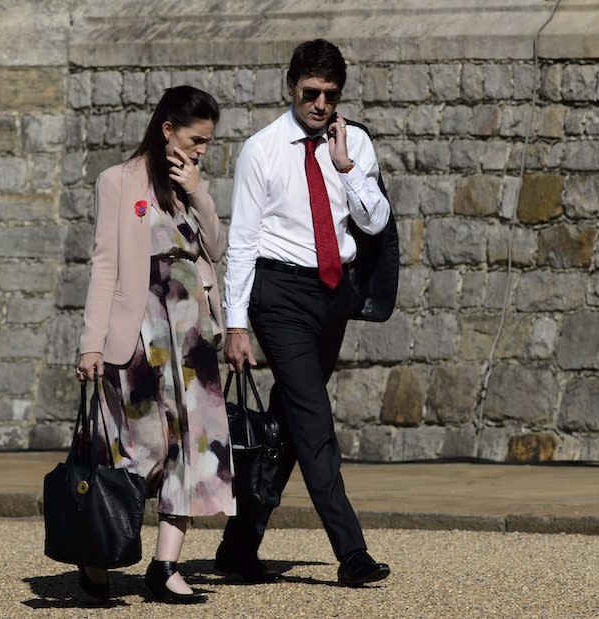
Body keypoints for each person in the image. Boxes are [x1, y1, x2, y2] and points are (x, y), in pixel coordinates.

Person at [218, 39, 392, 587]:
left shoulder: (355, 143)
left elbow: (374, 222)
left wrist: (345, 168)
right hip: (279, 295)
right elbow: (242, 242)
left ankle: (239, 546)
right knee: (314, 418)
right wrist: (236, 322)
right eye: (311, 92)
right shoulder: (262, 149)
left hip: (332, 294)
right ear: (291, 85)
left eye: (330, 94)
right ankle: (351, 552)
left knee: (291, 420)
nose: (320, 103)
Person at [76, 85, 234, 605]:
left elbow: (215, 248)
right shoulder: (117, 181)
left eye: (209, 142)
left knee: (197, 449)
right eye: (197, 139)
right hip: (140, 332)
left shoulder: (188, 183)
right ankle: (98, 555)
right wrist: (90, 344)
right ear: (167, 129)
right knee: (141, 449)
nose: (202, 149)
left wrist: (200, 191)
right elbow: (104, 265)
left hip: (192, 335)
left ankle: (165, 566)